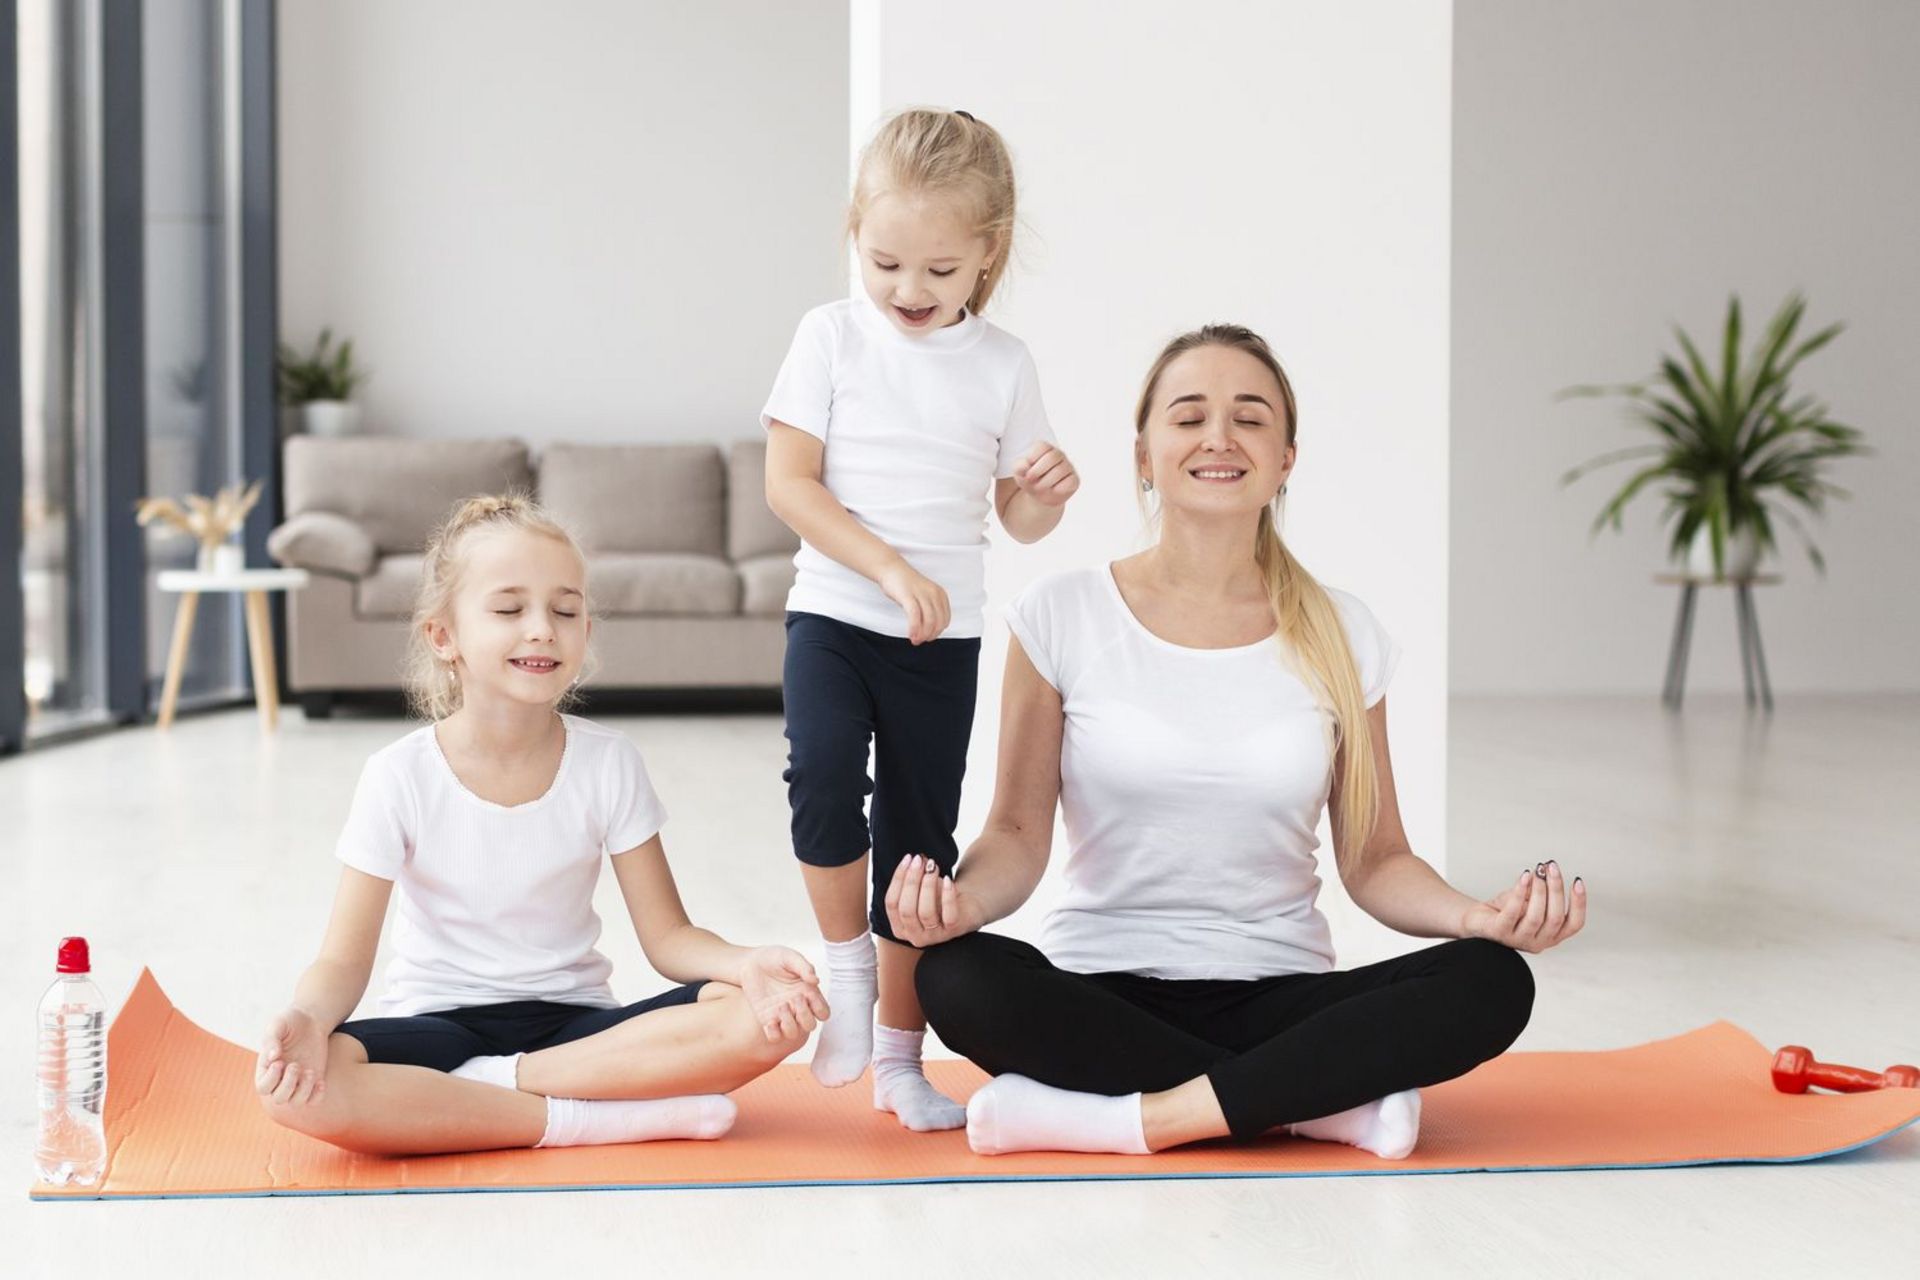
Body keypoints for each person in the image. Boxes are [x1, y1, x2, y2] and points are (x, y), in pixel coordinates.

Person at [891, 324, 1586, 1157]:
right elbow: (1013, 834)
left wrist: (1476, 916)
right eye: (1189, 416)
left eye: (1249, 418)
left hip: (1281, 989)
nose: (1219, 437)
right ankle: (1312, 1101)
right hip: (1101, 989)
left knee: (1490, 980)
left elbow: (1377, 859)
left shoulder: (1342, 631)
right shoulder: (1061, 614)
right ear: (1143, 454)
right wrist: (963, 904)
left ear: (1286, 458)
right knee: (956, 976)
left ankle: (1129, 1120)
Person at [255, 495, 827, 1155]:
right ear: (443, 636)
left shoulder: (608, 761)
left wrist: (747, 963)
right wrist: (308, 1017)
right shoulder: (398, 775)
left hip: (579, 1032)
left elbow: (670, 937)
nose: (542, 630)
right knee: (292, 1088)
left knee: (766, 1018)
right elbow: (342, 961)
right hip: (437, 1028)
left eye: (565, 610)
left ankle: (491, 1091)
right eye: (507, 610)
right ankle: (594, 1119)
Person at [762, 107, 1079, 1131]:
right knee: (819, 780)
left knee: (917, 843)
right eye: (886, 259)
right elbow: (789, 483)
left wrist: (1046, 489)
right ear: (856, 229)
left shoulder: (1004, 363)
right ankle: (845, 969)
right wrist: (889, 567)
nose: (908, 290)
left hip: (939, 641)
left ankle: (903, 1058)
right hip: (837, 613)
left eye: (940, 271)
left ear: (987, 255)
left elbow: (1019, 520)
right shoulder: (829, 335)